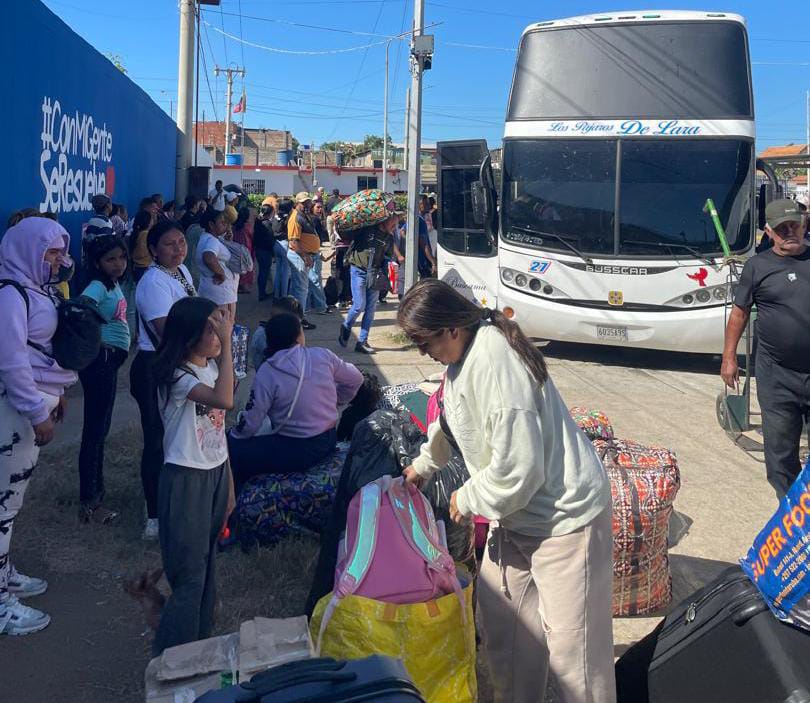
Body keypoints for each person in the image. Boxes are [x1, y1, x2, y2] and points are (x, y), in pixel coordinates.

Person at [399, 279, 615, 703]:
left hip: (564, 522)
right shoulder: (461, 360)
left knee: (576, 661)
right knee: (506, 632)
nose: (424, 353)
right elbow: (451, 415)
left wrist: (467, 498)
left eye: (425, 343)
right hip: (516, 518)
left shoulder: (495, 360)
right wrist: (425, 464)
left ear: (451, 329)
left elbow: (520, 469)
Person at [0, 217, 77, 635]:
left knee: (9, 504)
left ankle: (4, 573)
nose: (57, 261)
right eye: (50, 253)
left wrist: (58, 391)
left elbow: (40, 351)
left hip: (32, 408)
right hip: (14, 415)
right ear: (27, 250)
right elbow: (12, 363)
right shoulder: (10, 296)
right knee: (2, 506)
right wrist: (37, 413)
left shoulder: (32, 288)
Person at [151, 298, 234, 655]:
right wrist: (229, 345)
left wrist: (228, 485)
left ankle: (199, 647)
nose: (218, 337)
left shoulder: (210, 369)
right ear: (188, 338)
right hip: (186, 480)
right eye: (212, 331)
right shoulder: (179, 376)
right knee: (190, 577)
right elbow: (224, 401)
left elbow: (220, 434)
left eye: (220, 329)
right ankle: (171, 658)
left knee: (207, 568)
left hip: (214, 475)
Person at [722, 199, 810, 498]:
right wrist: (729, 358)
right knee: (780, 452)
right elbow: (739, 314)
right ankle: (793, 513)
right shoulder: (758, 266)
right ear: (769, 232)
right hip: (777, 375)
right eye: (782, 228)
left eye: (794, 225)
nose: (790, 232)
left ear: (804, 224)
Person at [228, 312, 362, 484]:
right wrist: (337, 401)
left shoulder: (267, 371)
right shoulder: (323, 356)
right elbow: (356, 379)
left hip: (293, 448)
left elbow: (252, 421)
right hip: (328, 439)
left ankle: (239, 503)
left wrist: (233, 435)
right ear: (299, 337)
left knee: (234, 450)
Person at [131, 220, 196, 540]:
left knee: (179, 438)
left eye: (181, 241)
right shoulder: (153, 282)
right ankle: (153, 514)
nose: (178, 248)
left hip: (181, 364)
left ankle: (176, 502)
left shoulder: (181, 272)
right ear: (153, 250)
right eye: (170, 244)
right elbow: (165, 332)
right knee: (156, 441)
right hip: (155, 366)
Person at [77, 236, 130, 524]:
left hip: (108, 362)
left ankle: (96, 495)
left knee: (100, 430)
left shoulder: (112, 283)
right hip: (101, 362)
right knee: (95, 433)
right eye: (111, 259)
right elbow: (82, 307)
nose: (118, 264)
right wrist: (98, 341)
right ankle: (90, 502)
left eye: (121, 257)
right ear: (98, 262)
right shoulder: (97, 285)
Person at [338, 200, 398, 354]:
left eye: (396, 225)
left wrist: (390, 266)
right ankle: (346, 326)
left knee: (371, 309)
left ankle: (362, 341)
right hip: (358, 270)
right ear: (385, 220)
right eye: (393, 224)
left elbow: (388, 256)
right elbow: (346, 234)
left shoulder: (389, 238)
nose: (394, 227)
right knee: (359, 305)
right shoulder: (366, 229)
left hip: (375, 274)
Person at [196, 208, 239, 315]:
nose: (226, 226)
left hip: (215, 292)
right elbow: (209, 257)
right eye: (222, 223)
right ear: (211, 224)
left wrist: (228, 241)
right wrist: (221, 273)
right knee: (222, 325)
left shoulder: (209, 238)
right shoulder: (212, 240)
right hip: (221, 295)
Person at [287, 192, 319, 330]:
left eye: (308, 202)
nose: (307, 205)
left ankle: (296, 319)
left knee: (299, 289)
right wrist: (306, 256)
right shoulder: (296, 218)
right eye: (304, 203)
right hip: (299, 256)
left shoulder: (303, 216)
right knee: (301, 290)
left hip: (303, 255)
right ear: (297, 203)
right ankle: (299, 320)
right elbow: (294, 242)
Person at [309, 200, 330, 314]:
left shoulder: (313, 218)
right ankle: (321, 306)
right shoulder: (314, 219)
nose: (320, 209)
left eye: (321, 207)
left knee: (312, 279)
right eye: (317, 207)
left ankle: (310, 305)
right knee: (315, 279)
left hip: (313, 251)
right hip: (313, 252)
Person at [255, 198, 276, 301]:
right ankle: (262, 294)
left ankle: (261, 292)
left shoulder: (258, 221)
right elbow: (270, 239)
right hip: (265, 250)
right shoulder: (267, 223)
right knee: (264, 272)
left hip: (259, 249)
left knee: (262, 272)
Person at [272, 199, 293, 300]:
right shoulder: (288, 217)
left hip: (276, 244)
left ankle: (276, 294)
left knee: (278, 271)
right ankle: (284, 295)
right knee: (285, 272)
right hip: (284, 244)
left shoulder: (275, 216)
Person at [233, 207, 256, 294]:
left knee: (238, 266)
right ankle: (244, 286)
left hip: (236, 248)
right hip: (246, 248)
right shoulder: (247, 226)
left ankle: (238, 286)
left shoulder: (235, 226)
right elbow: (252, 237)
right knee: (246, 268)